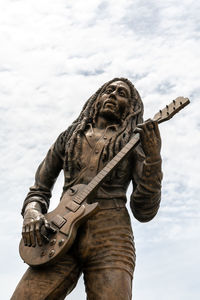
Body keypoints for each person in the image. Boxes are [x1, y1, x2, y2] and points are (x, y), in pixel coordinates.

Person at [11, 78, 162, 300]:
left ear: (130, 107)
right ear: (96, 99)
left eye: (121, 93)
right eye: (108, 90)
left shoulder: (134, 142)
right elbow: (39, 189)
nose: (113, 95)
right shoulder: (69, 136)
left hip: (111, 236)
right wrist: (32, 212)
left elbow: (144, 211)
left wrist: (153, 159)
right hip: (59, 231)